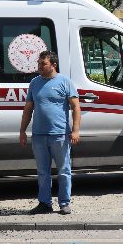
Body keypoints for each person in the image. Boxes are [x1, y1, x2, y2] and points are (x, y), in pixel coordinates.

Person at [19, 51, 82, 215]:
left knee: (63, 170)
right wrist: (22, 131)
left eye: (43, 64)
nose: (39, 67)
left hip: (60, 134)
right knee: (42, 172)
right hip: (39, 135)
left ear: (53, 64)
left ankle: (64, 203)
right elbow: (28, 109)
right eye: (38, 64)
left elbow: (76, 107)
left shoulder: (65, 82)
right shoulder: (34, 83)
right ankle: (44, 203)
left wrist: (75, 130)